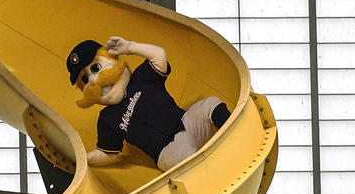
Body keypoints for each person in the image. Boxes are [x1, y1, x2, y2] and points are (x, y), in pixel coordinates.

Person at [66, 36, 231, 171]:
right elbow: (107, 153)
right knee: (187, 159)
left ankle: (234, 138)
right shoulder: (106, 119)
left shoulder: (141, 77)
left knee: (211, 104)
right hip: (167, 150)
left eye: (95, 68)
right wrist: (84, 158)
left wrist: (130, 47)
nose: (94, 80)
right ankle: (219, 171)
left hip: (186, 121)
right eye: (85, 79)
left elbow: (159, 55)